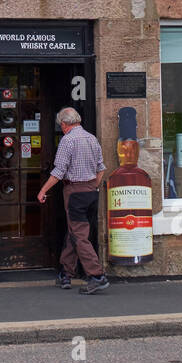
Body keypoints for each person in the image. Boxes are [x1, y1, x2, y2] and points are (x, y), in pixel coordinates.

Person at [38, 107, 109, 294]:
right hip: (91, 191)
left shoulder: (67, 140)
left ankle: (96, 275)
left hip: (75, 191)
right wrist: (93, 185)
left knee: (79, 235)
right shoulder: (92, 138)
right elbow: (101, 168)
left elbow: (59, 172)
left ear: (64, 124)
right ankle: (66, 273)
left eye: (60, 125)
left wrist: (43, 191)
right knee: (74, 231)